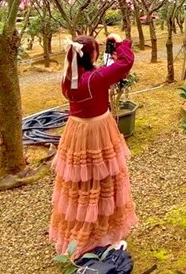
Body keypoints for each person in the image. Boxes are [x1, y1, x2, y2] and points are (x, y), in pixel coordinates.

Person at [50, 33, 138, 257]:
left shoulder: (67, 78)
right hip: (98, 130)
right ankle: (100, 234)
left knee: (80, 184)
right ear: (91, 55)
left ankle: (77, 234)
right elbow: (125, 62)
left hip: (76, 130)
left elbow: (99, 74)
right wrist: (119, 42)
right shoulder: (96, 78)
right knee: (104, 179)